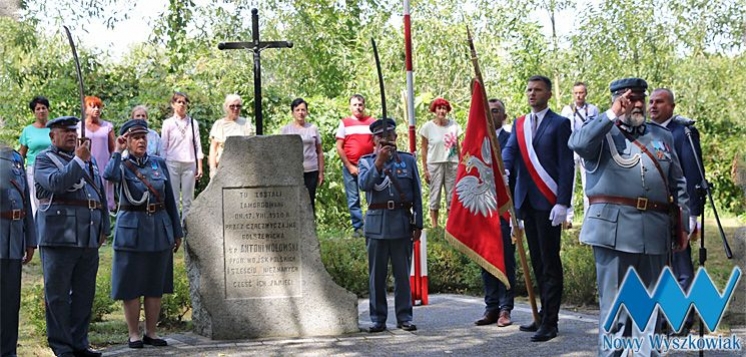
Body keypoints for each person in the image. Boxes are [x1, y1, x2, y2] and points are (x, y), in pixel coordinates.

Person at [568, 78, 690, 356]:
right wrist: (611, 113)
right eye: (629, 98)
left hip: (655, 233)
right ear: (616, 100)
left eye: (640, 98)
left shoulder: (662, 136)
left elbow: (678, 184)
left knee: (650, 311)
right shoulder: (600, 133)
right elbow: (577, 142)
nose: (636, 104)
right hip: (613, 232)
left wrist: (682, 225)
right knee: (616, 312)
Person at [502, 75, 574, 342]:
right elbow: (510, 151)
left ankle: (551, 322)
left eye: (538, 90)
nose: (532, 94)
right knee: (537, 261)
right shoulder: (519, 124)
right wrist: (505, 167)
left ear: (549, 94)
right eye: (529, 89)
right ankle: (542, 315)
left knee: (550, 263)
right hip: (526, 203)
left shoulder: (560, 123)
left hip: (549, 202)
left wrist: (563, 202)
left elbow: (567, 165)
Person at [104, 119, 184, 349]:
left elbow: (169, 199)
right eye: (135, 137)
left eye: (143, 137)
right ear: (126, 140)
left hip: (158, 227)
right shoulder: (121, 163)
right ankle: (133, 334)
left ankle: (151, 332)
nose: (141, 141)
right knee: (131, 283)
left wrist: (176, 232)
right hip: (132, 229)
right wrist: (116, 152)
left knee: (154, 282)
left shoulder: (158, 163)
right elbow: (109, 176)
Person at [34, 116, 110, 357]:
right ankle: (62, 346)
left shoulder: (87, 160)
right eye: (63, 131)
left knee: (83, 293)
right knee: (57, 295)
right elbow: (57, 183)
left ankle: (80, 342)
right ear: (52, 136)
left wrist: (103, 227)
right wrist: (79, 159)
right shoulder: (44, 159)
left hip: (87, 236)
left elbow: (98, 195)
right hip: (59, 237)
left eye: (72, 131)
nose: (69, 135)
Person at [358, 118, 423, 333]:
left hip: (401, 223)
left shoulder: (408, 160)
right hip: (376, 225)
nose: (386, 140)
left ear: (396, 137)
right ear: (374, 140)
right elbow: (365, 184)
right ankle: (378, 318)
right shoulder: (366, 161)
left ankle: (404, 317)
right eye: (380, 137)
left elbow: (417, 194)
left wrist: (418, 223)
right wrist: (379, 162)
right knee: (376, 276)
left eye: (389, 136)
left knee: (403, 275)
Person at [648, 87, 703, 335]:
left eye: (659, 102)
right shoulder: (647, 132)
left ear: (671, 106)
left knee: (681, 269)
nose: (653, 106)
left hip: (676, 211)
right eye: (651, 101)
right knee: (660, 269)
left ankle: (682, 320)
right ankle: (662, 319)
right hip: (653, 213)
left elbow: (692, 173)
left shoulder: (684, 133)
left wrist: (692, 214)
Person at [475, 98, 515, 327]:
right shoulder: (477, 141)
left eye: (496, 111)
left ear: (504, 116)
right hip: (483, 209)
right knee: (485, 259)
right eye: (488, 111)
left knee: (506, 261)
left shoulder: (511, 140)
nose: (492, 115)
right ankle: (490, 307)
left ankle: (505, 308)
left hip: (504, 211)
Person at [0, 142, 37, 357]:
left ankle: (8, 351)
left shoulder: (15, 158)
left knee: (10, 302)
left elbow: (25, 201)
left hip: (14, 241)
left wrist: (30, 239)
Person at [161, 92, 204, 227]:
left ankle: (187, 229)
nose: (181, 104)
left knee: (188, 199)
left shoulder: (193, 123)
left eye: (184, 102)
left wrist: (200, 166)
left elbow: (198, 145)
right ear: (173, 105)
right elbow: (163, 146)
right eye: (178, 102)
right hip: (172, 163)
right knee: (173, 198)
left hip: (189, 164)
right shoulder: (167, 123)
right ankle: (174, 228)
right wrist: (163, 167)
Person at [560, 82, 600, 228]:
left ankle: (588, 217)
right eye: (576, 92)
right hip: (571, 150)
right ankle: (568, 218)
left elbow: (597, 129)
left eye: (581, 92)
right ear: (573, 93)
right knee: (568, 183)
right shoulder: (566, 110)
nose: (579, 95)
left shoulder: (593, 110)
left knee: (587, 184)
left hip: (586, 150)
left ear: (586, 93)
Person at [335, 94, 376, 237]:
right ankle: (358, 228)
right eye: (355, 105)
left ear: (364, 106)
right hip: (350, 166)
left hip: (369, 166)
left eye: (360, 104)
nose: (358, 107)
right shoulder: (345, 123)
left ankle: (373, 225)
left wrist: (375, 164)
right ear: (350, 107)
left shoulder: (372, 122)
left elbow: (377, 144)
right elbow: (339, 146)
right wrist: (349, 166)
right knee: (353, 199)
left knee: (372, 196)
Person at [418, 97, 461, 227]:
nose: (441, 111)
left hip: (451, 163)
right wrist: (425, 168)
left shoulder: (454, 126)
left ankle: (451, 225)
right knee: (435, 194)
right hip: (434, 163)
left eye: (444, 108)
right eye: (439, 108)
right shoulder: (427, 127)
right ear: (434, 110)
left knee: (451, 195)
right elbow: (424, 148)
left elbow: (458, 147)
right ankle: (434, 225)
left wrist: (461, 165)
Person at [281, 98, 324, 212]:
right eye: (297, 110)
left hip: (311, 170)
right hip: (293, 171)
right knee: (294, 200)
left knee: (309, 201)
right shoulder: (286, 130)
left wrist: (321, 172)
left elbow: (319, 151)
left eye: (303, 110)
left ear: (307, 112)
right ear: (292, 112)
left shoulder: (313, 128)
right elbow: (282, 153)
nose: (301, 112)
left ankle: (310, 228)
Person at [77, 96, 116, 211]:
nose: (96, 109)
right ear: (85, 109)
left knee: (103, 193)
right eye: (93, 106)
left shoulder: (107, 127)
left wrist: (113, 167)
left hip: (103, 165)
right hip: (85, 165)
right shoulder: (79, 127)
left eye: (99, 107)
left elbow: (113, 148)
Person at [19, 95, 52, 215]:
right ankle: (36, 231)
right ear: (33, 112)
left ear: (48, 110)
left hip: (52, 169)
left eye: (43, 108)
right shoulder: (28, 130)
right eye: (38, 109)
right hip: (33, 169)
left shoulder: (54, 129)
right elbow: (22, 153)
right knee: (35, 202)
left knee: (52, 201)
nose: (41, 111)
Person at [208, 94, 254, 179]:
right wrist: (212, 169)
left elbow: (251, 146)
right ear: (226, 107)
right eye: (232, 106)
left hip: (243, 167)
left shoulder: (246, 123)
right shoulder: (219, 124)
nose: (235, 109)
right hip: (223, 167)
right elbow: (213, 148)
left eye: (238, 106)